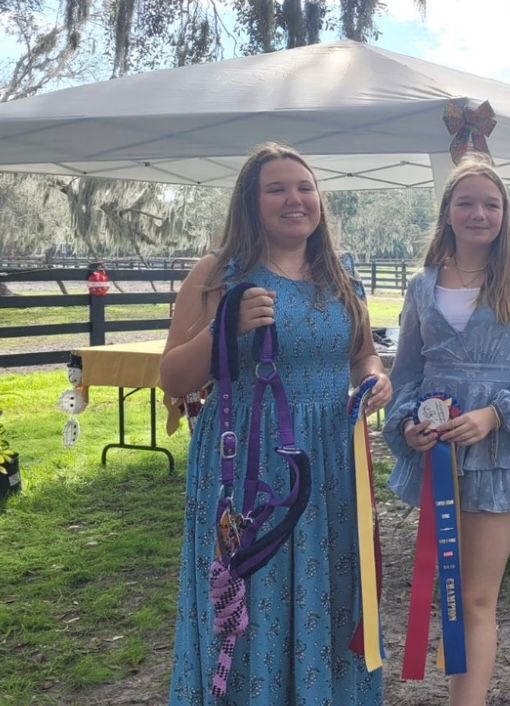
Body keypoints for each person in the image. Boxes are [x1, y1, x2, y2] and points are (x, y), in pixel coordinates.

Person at [160, 142, 391, 704]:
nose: (295, 199)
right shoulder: (218, 273)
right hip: (248, 463)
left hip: (331, 464)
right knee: (257, 591)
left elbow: (360, 353)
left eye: (305, 188)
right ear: (251, 202)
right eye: (277, 189)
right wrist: (224, 328)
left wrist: (373, 377)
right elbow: (171, 377)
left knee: (330, 588)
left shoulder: (342, 272)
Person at [382, 157, 510, 706]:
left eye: (491, 203)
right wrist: (410, 423)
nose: (479, 213)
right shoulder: (422, 285)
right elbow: (408, 372)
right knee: (448, 591)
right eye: (466, 202)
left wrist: (495, 416)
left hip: (498, 455)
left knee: (477, 596)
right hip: (439, 456)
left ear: (504, 213)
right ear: (447, 212)